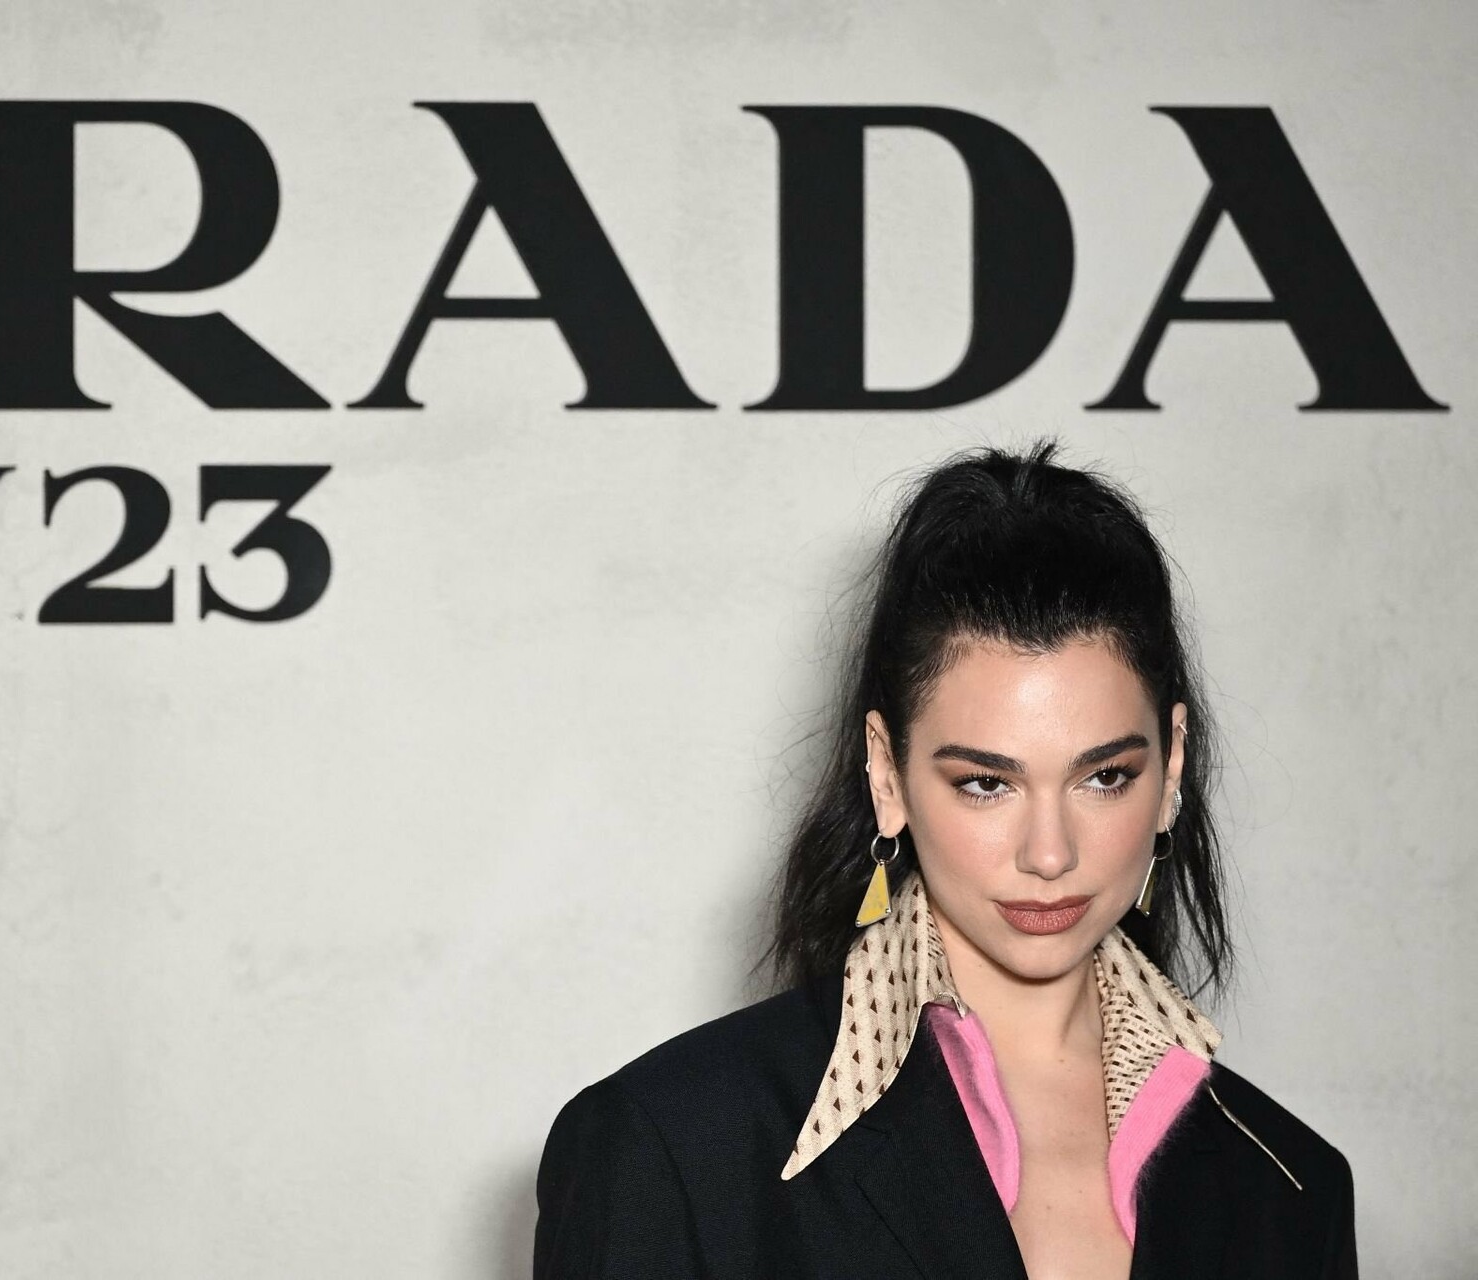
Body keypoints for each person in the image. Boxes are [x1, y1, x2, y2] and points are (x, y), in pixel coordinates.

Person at [531, 439, 1358, 1279]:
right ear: (887, 775)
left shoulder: (1292, 1189)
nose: (1050, 853)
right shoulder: (670, 1148)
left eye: (1105, 777)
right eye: (986, 783)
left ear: (1172, 765)